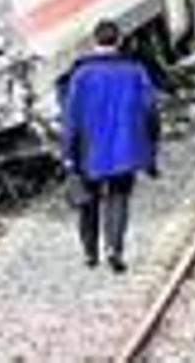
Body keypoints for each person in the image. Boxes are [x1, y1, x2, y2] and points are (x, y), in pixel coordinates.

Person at [59, 18, 161, 272]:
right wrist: (151, 148)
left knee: (88, 201)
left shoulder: (81, 75)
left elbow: (71, 119)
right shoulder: (135, 71)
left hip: (89, 151)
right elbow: (151, 110)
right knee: (118, 198)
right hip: (125, 150)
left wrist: (68, 155)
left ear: (94, 41)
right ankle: (114, 248)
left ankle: (90, 252)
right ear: (120, 40)